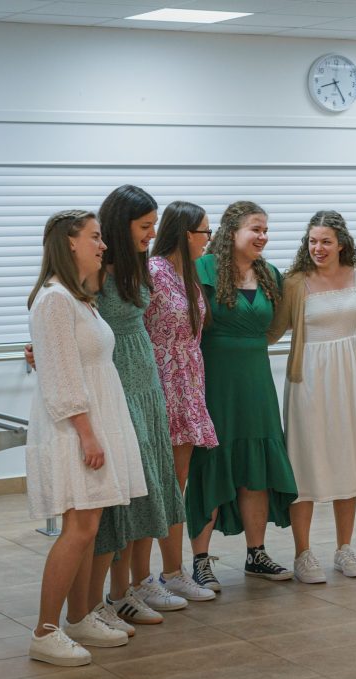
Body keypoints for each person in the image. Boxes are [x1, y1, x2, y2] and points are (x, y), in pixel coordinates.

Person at [25, 210, 145, 666]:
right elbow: (61, 378)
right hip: (74, 429)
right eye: (95, 237)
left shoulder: (78, 299)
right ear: (69, 242)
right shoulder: (54, 300)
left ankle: (78, 617)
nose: (103, 245)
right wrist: (87, 435)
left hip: (93, 423)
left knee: (89, 527)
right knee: (78, 529)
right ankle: (45, 631)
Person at [267, 210, 356, 583]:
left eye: (325, 242)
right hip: (309, 378)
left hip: (348, 377)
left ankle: (344, 548)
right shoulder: (295, 282)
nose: (317, 248)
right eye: (313, 241)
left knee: (346, 458)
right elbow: (273, 330)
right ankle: (303, 553)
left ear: (341, 244)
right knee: (305, 461)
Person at [185, 200, 297, 584]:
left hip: (257, 382)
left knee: (257, 466)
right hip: (215, 381)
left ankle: (256, 553)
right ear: (232, 231)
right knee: (210, 464)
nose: (263, 237)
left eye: (266, 230)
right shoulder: (201, 270)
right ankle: (201, 559)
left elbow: (275, 326)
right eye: (255, 229)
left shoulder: (270, 275)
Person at [91, 185, 188, 628]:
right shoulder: (97, 270)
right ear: (120, 224)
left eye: (153, 225)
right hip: (115, 381)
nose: (152, 234)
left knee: (148, 484)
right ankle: (113, 594)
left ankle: (132, 586)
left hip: (146, 378)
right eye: (145, 226)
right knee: (125, 492)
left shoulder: (137, 265)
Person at [144, 200, 219, 601]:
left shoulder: (187, 273)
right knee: (161, 485)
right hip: (161, 383)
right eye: (205, 231)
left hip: (187, 382)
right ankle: (153, 576)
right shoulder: (153, 271)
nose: (209, 239)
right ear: (187, 233)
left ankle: (173, 571)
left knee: (177, 483)